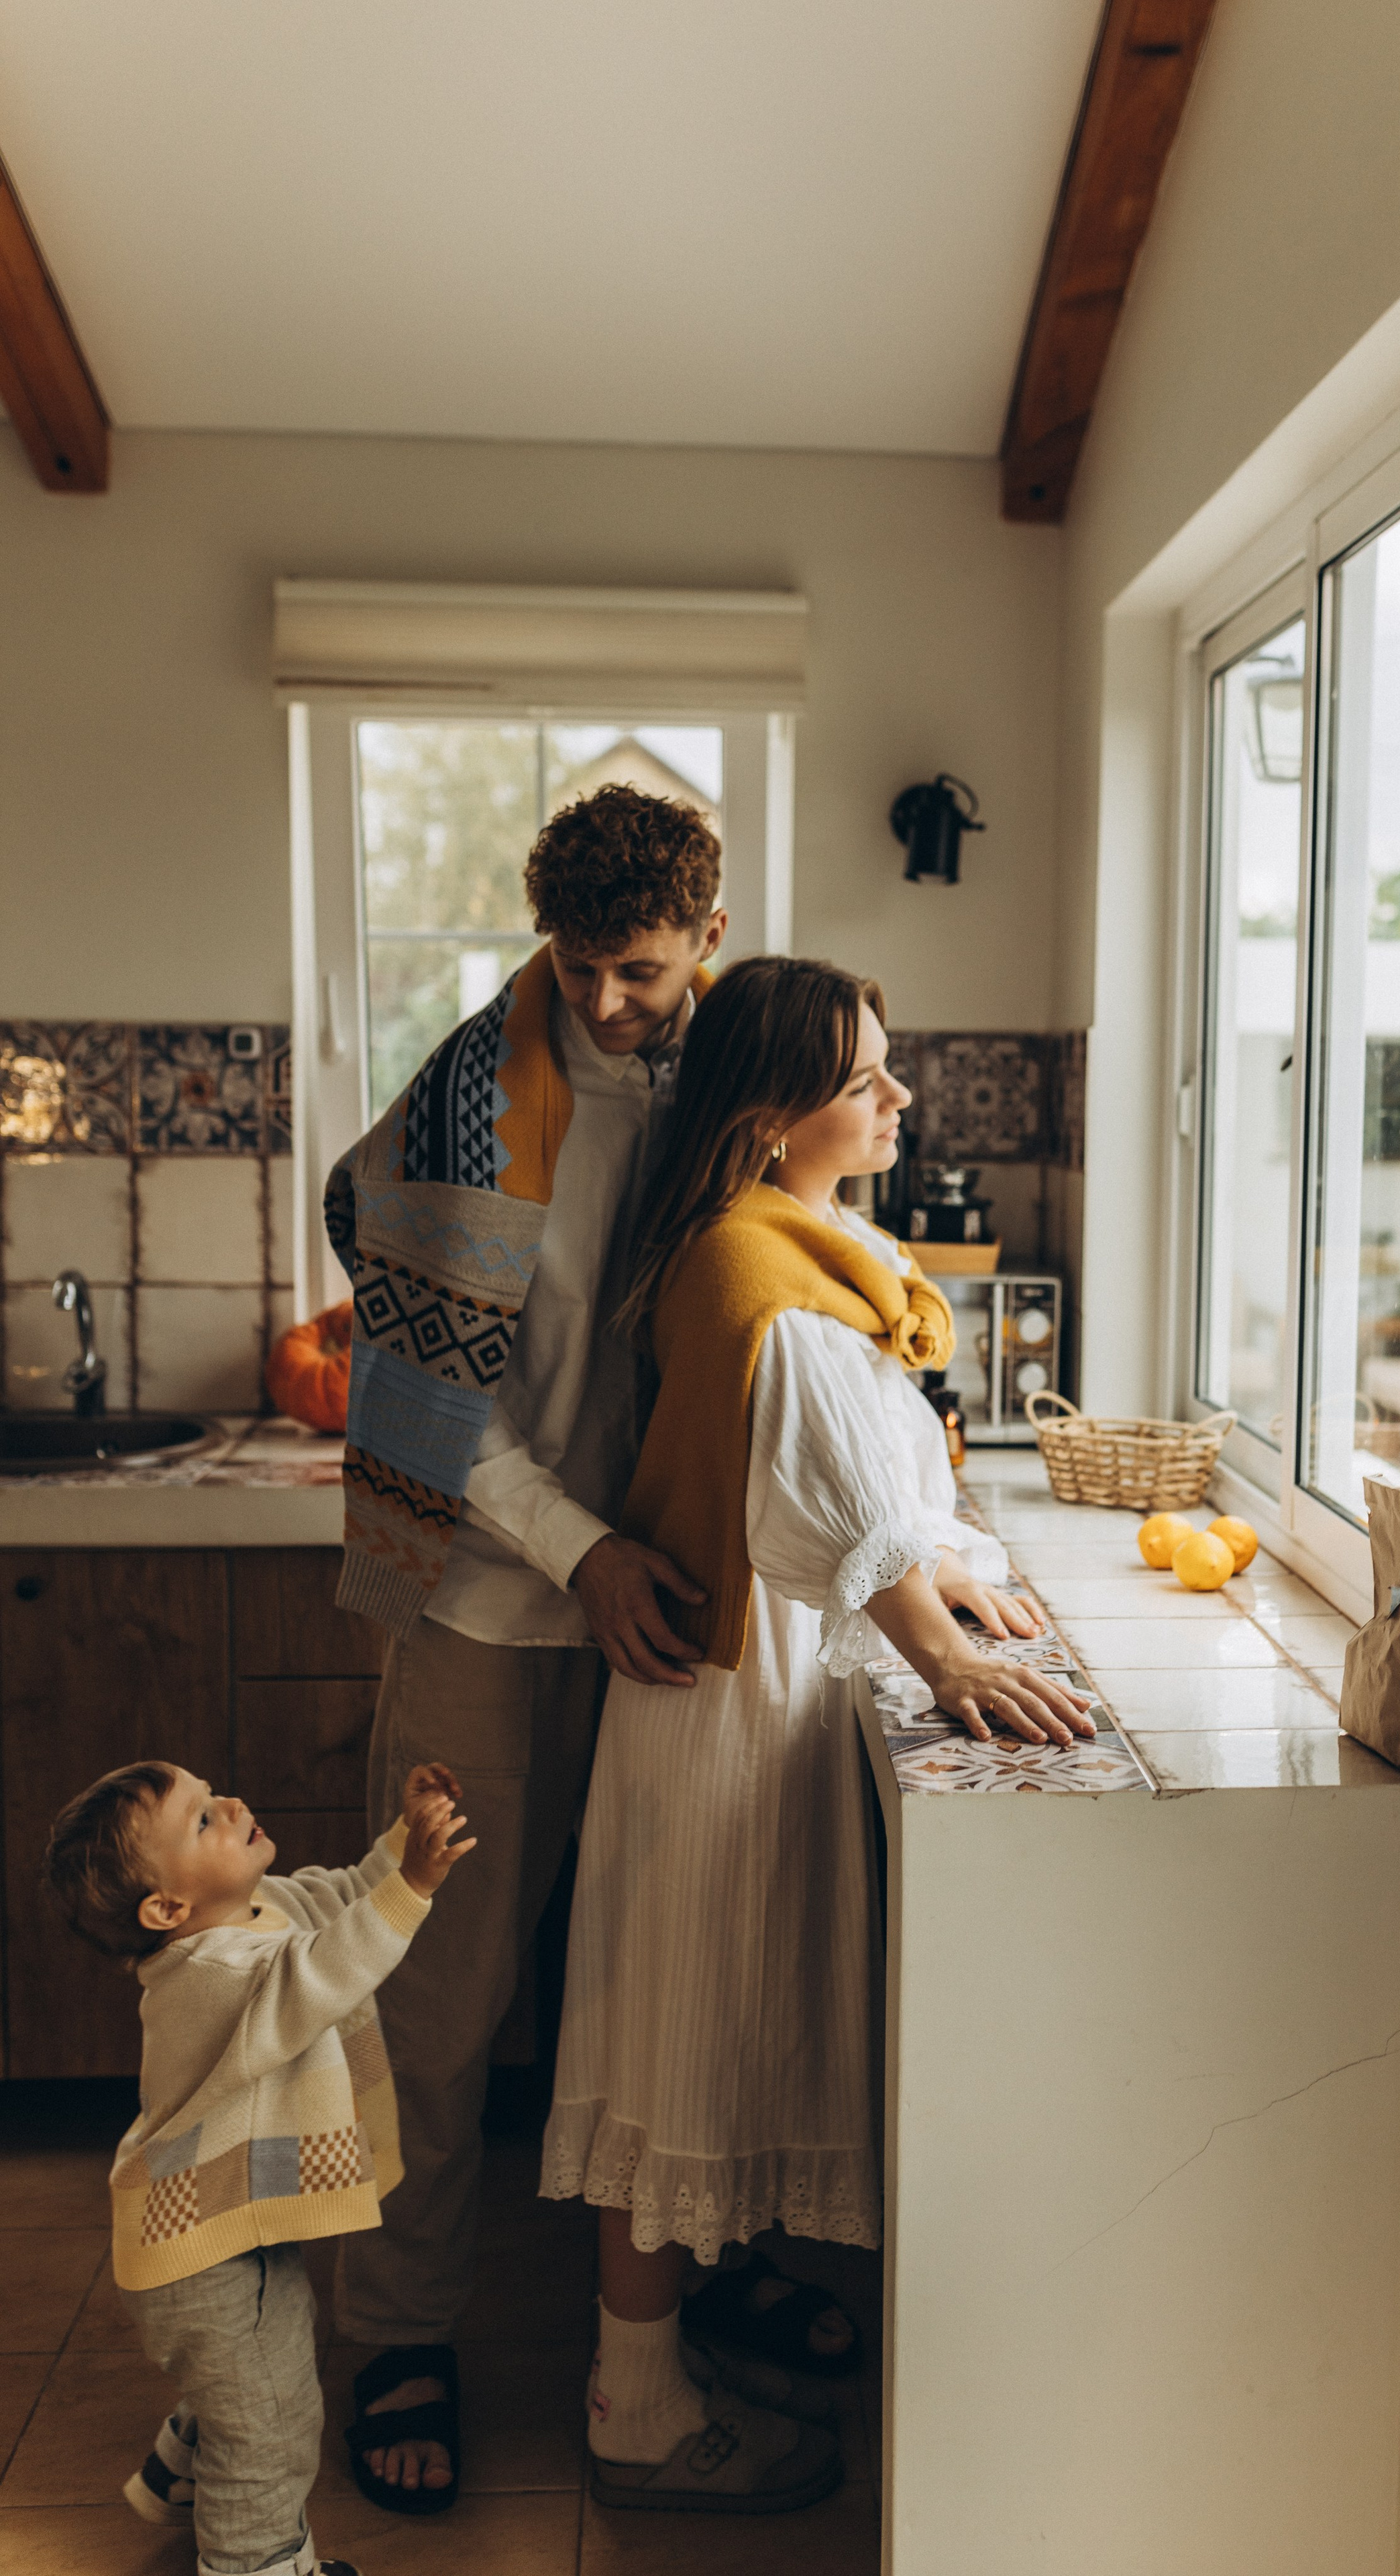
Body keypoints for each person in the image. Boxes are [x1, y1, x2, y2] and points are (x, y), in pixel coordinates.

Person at [541, 955, 1094, 2514]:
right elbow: (827, 1496)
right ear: (776, 1115)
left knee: (712, 2027)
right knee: (676, 2043)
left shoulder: (807, 1238)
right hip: (722, 1707)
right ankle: (633, 2415)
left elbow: (888, 1484)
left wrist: (963, 1588)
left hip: (757, 1684)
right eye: (869, 1077)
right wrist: (939, 1642)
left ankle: (671, 2364)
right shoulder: (749, 1266)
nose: (899, 1097)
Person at [321, 784, 729, 2510]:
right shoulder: (472, 1104)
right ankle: (396, 2330)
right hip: (494, 1602)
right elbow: (425, 1410)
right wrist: (585, 1556)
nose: (607, 1001)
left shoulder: (735, 1081)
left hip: (678, 1610)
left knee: (653, 1991)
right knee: (439, 1995)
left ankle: (666, 2328)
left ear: (705, 938)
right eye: (580, 966)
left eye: (638, 969)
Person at [43, 1753, 474, 2576]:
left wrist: (398, 1845)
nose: (232, 1802)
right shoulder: (206, 1973)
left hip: (226, 2222)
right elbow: (324, 1970)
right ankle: (261, 2561)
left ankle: (185, 2471)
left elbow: (346, 1899)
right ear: (168, 1906)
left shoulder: (253, 1905)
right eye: (203, 1818)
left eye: (213, 1795)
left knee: (263, 2370)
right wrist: (412, 1887)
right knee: (272, 2428)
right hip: (201, 2253)